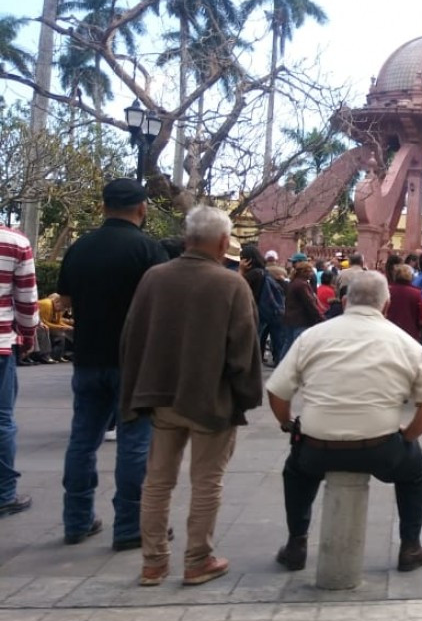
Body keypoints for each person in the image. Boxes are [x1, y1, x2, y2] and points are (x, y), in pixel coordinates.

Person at [120, 207, 262, 586]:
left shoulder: (154, 278)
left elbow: (132, 337)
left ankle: (153, 563)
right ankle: (197, 559)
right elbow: (244, 352)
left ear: (186, 239)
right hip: (210, 400)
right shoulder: (231, 284)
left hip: (161, 395)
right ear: (221, 243)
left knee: (157, 480)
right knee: (206, 481)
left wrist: (135, 390)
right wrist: (245, 398)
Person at [268, 271, 422, 573]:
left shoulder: (313, 336)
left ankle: (296, 543)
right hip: (380, 447)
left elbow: (277, 391)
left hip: (316, 447)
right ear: (386, 305)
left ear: (345, 300)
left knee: (296, 470)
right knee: (416, 471)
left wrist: (289, 425)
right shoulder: (405, 343)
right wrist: (410, 435)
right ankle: (410, 546)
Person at [58, 178, 169, 548]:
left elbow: (65, 302)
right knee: (135, 443)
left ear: (104, 207)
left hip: (88, 357)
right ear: (142, 208)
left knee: (82, 440)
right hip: (134, 361)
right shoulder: (149, 251)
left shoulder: (80, 248)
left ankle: (76, 520)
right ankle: (130, 525)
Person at [0, 226, 39, 518]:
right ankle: (4, 494)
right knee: (1, 420)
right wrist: (27, 335)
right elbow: (26, 298)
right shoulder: (14, 241)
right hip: (1, 344)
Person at [240, 246, 285, 366]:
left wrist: (241, 271)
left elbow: (238, 286)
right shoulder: (263, 271)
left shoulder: (253, 274)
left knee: (251, 340)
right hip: (265, 310)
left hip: (254, 310)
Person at [386, 265, 422, 340]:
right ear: (411, 276)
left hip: (389, 330)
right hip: (409, 333)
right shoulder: (417, 293)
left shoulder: (387, 290)